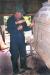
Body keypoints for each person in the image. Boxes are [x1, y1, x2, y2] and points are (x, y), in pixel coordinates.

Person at [7, 4, 32, 74]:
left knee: (23, 53)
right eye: (21, 14)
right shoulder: (10, 19)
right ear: (17, 12)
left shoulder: (22, 19)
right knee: (15, 55)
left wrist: (30, 26)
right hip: (14, 40)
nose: (21, 15)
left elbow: (25, 28)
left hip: (21, 39)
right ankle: (15, 71)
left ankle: (23, 66)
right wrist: (17, 28)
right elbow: (9, 30)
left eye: (22, 14)